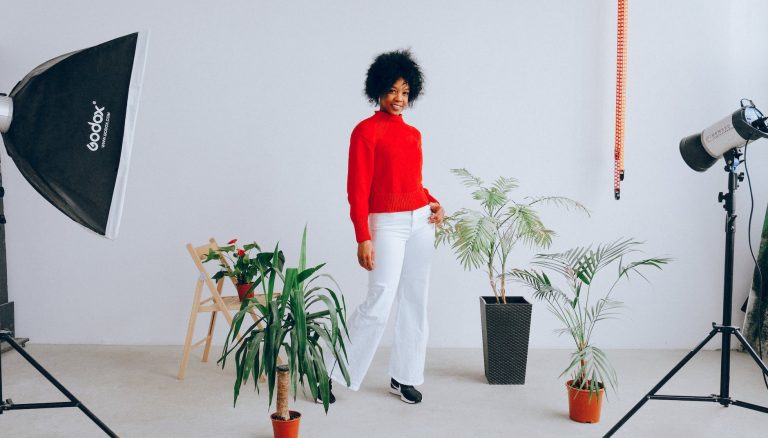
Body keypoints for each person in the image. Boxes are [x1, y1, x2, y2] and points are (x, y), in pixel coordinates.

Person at [326, 49, 444, 405]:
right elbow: (357, 190)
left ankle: (404, 377)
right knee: (378, 302)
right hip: (387, 225)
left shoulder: (414, 134)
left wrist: (433, 201)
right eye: (392, 90)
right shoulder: (365, 132)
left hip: (421, 221)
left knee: (415, 301)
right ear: (378, 90)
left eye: (405, 92)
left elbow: (411, 183)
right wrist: (362, 237)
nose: (399, 98)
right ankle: (329, 372)